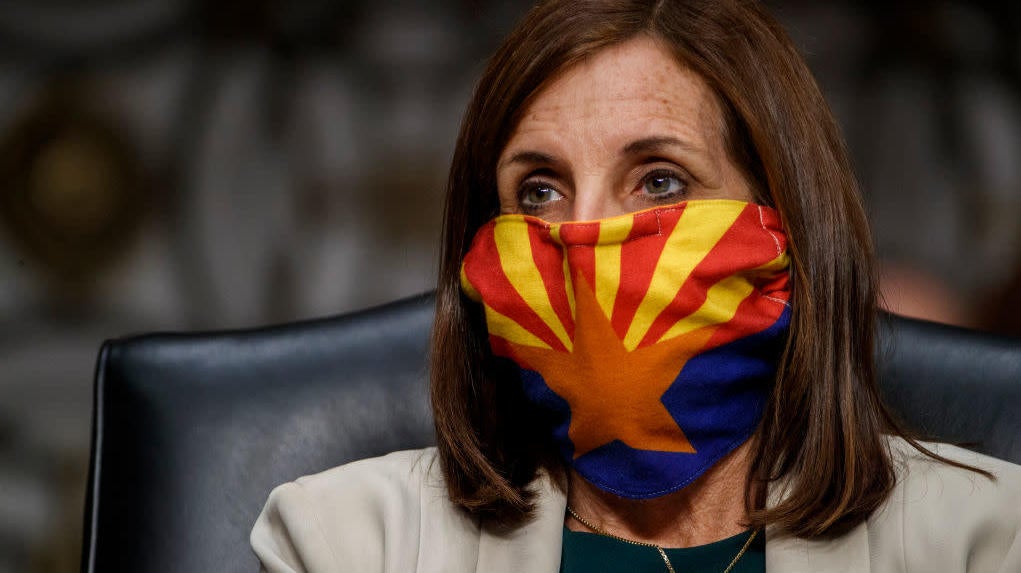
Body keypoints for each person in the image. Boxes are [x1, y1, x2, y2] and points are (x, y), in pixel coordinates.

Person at [251, 1, 1021, 571]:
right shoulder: (344, 540)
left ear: (786, 226)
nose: (583, 238)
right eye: (539, 191)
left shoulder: (986, 537)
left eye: (658, 180)